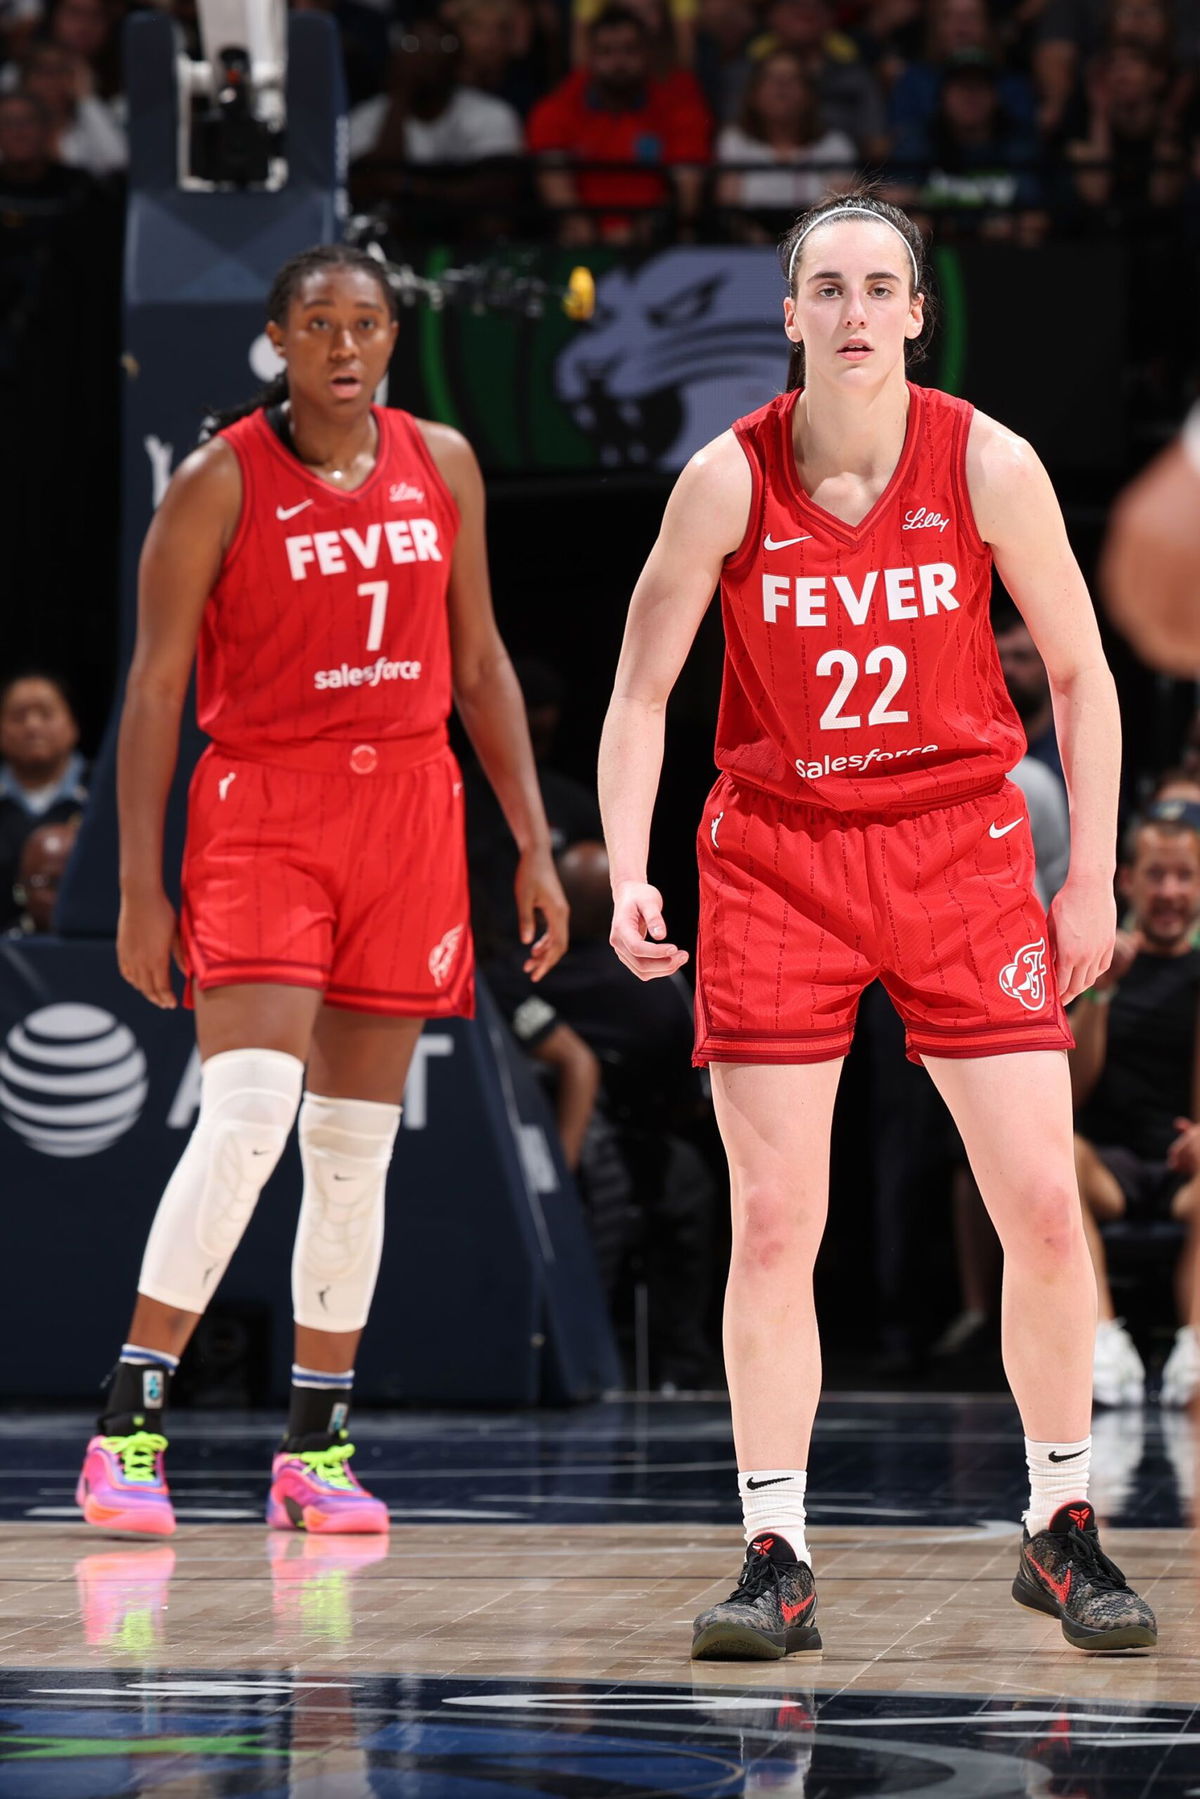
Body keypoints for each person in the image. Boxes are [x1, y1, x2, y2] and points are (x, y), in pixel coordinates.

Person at [598, 190, 1157, 1657]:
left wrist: (1088, 871)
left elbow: (1088, 677)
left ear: (919, 311)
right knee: (778, 1216)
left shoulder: (988, 459)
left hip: (959, 848)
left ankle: (1062, 1522)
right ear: (788, 315)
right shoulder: (727, 478)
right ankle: (773, 1549)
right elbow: (641, 692)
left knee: (1042, 1198)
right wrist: (628, 869)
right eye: (826, 288)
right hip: (777, 856)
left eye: (880, 287)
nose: (854, 312)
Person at [75, 243, 568, 1539]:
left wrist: (531, 834)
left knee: (351, 1156)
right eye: (319, 325)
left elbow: (478, 660)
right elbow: (151, 693)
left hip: (409, 811)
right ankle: (128, 1422)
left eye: (366, 323)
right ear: (277, 342)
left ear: (393, 339)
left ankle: (317, 1443)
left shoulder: (443, 462)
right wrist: (138, 881)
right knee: (246, 1116)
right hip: (266, 809)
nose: (345, 345)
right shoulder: (217, 481)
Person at [1072, 815, 1200, 1408]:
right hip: (1110, 1164)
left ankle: (1194, 1348)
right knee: (1057, 1161)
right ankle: (1101, 1337)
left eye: (1184, 876)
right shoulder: (1092, 962)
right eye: (1157, 875)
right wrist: (1102, 990)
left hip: (1182, 1166)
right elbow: (1069, 1094)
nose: (1170, 891)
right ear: (1127, 881)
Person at [526, 5, 711, 244]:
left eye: (629, 50)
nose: (618, 62)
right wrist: (589, 234)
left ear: (648, 53)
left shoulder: (679, 106)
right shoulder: (556, 108)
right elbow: (556, 186)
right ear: (589, 56)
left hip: (655, 240)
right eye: (606, 52)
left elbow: (687, 191)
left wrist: (644, 232)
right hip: (582, 242)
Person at [715, 48, 857, 231]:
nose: (781, 87)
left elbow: (841, 216)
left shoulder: (835, 145)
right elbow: (730, 212)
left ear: (809, 95)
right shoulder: (734, 141)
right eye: (771, 79)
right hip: (748, 247)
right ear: (753, 93)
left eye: (793, 79)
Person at [0, 670, 88, 932]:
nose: (32, 725)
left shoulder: (107, 794)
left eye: (46, 714)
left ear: (72, 725)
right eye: (18, 716)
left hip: (86, 945)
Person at [7, 813, 79, 935]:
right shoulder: (6, 949)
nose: (65, 896)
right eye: (55, 883)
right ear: (22, 888)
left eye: (77, 884)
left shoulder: (110, 946)